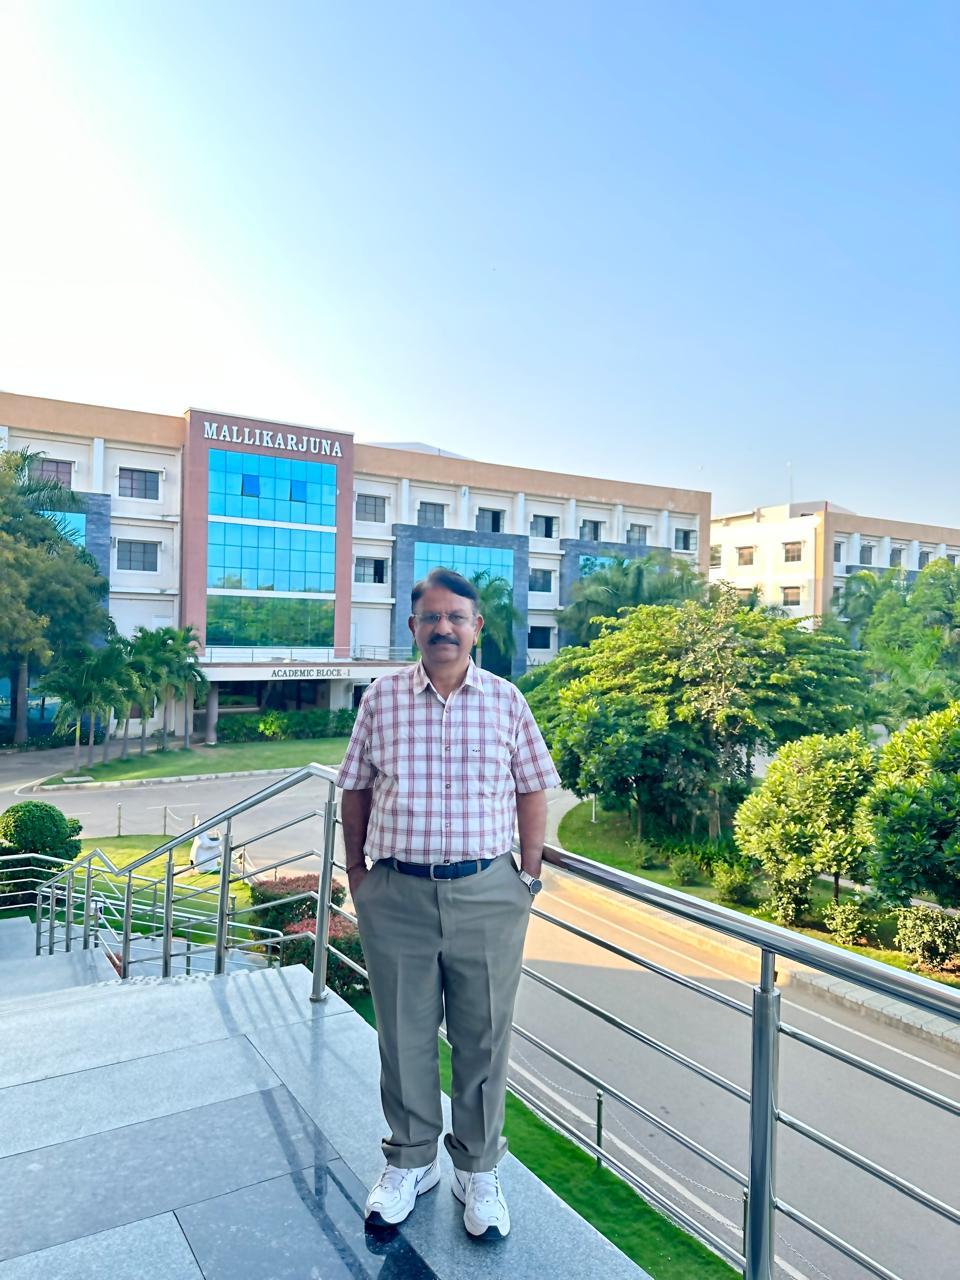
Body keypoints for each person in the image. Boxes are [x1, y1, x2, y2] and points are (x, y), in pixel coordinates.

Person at [336, 567, 559, 1241]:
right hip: (397, 892)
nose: (444, 628)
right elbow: (355, 788)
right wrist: (358, 872)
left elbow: (533, 788)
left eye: (456, 617)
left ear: (476, 628)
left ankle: (478, 1169)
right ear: (413, 627)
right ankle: (410, 1162)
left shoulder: (507, 701)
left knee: (483, 1037)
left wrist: (526, 877)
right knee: (402, 1034)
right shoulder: (381, 698)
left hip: (488, 893)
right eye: (431, 617)